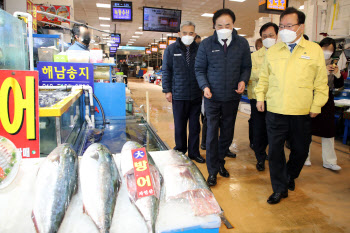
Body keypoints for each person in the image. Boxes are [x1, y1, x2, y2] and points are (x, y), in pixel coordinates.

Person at [255, 7, 328, 204]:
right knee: (275, 151)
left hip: (301, 111)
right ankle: (279, 188)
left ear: (301, 27)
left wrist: (317, 105)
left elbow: (321, 82)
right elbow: (264, 78)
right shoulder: (274, 51)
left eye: (289, 25)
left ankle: (290, 176)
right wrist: (260, 97)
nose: (284, 29)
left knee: (301, 150)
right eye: (282, 26)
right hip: (276, 110)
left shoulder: (313, 50)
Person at [195, 9, 252, 186]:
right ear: (214, 26)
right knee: (211, 134)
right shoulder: (206, 44)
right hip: (211, 97)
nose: (224, 28)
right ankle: (212, 172)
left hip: (232, 97)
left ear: (233, 25)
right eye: (220, 25)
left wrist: (243, 80)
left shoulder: (241, 43)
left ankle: (220, 162)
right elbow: (199, 69)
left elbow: (246, 67)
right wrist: (204, 86)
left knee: (227, 133)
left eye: (227, 25)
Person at [162, 21, 205, 164]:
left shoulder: (200, 49)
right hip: (178, 94)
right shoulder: (171, 49)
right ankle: (180, 150)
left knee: (194, 126)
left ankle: (194, 152)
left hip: (195, 94)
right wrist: (167, 90)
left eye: (191, 33)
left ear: (195, 34)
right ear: (179, 34)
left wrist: (205, 87)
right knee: (179, 125)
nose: (188, 35)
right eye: (185, 33)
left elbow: (204, 70)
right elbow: (166, 71)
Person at [304, 37, 342, 171]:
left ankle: (330, 161)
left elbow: (339, 85)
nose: (328, 51)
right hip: (312, 98)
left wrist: (337, 74)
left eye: (331, 49)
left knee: (329, 131)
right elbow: (307, 79)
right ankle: (305, 157)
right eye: (325, 48)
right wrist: (324, 71)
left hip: (328, 99)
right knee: (307, 129)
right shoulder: (312, 60)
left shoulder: (334, 63)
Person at [248, 22, 279, 172]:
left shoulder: (282, 54)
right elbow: (251, 75)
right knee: (259, 129)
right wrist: (268, 74)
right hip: (258, 98)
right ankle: (260, 157)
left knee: (273, 130)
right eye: (265, 36)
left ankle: (270, 154)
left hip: (277, 99)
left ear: (277, 36)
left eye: (271, 35)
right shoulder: (254, 57)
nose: (268, 39)